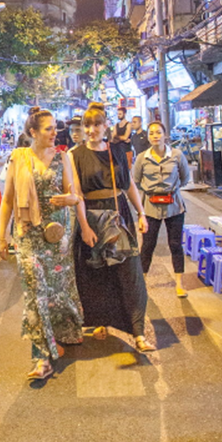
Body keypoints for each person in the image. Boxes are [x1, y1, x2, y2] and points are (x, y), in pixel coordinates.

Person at [0, 106, 85, 380]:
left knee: (57, 290)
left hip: (58, 235)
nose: (54, 133)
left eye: (55, 128)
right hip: (28, 234)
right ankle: (41, 357)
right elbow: (8, 200)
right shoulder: (18, 157)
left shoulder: (63, 157)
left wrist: (71, 200)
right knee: (35, 291)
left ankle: (62, 333)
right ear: (33, 132)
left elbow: (74, 194)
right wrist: (1, 237)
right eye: (49, 129)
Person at [73, 101, 153, 352]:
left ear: (106, 125)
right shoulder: (75, 155)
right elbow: (77, 194)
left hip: (119, 215)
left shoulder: (117, 150)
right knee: (97, 274)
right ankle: (100, 321)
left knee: (130, 272)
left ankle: (138, 332)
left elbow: (129, 185)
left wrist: (141, 213)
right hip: (92, 218)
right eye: (87, 126)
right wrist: (84, 226)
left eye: (96, 125)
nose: (91, 130)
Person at [133, 120, 193, 297]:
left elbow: (185, 178)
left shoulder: (177, 155)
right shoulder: (142, 158)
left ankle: (179, 284)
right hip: (150, 207)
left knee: (175, 244)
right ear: (148, 136)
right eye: (151, 133)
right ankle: (142, 283)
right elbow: (136, 181)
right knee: (147, 245)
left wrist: (170, 190)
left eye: (158, 132)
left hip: (174, 206)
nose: (155, 136)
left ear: (165, 135)